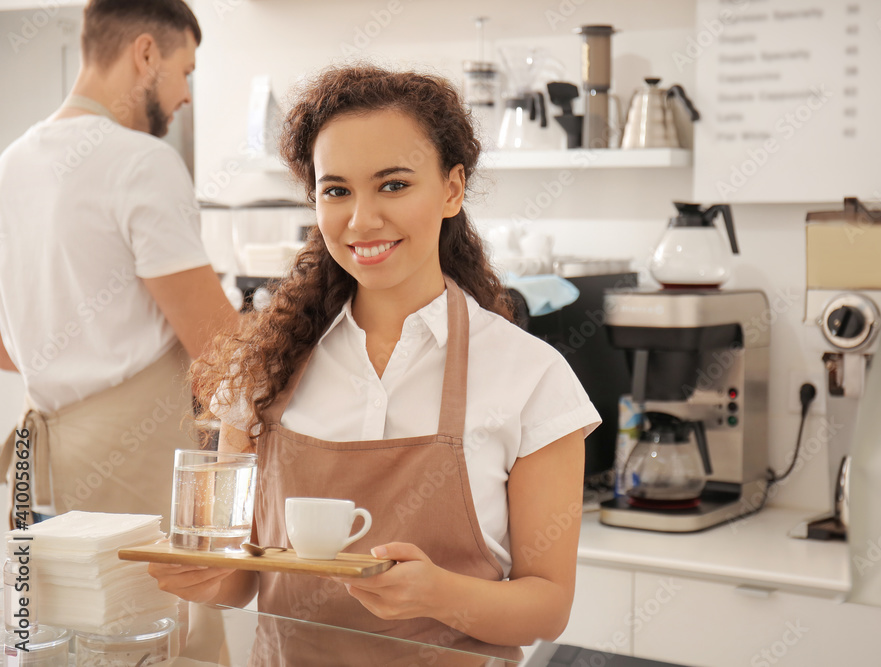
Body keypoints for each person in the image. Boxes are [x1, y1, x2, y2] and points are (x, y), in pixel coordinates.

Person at [150, 65, 601, 665]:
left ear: (452, 189)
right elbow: (239, 579)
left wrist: (440, 594)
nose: (361, 220)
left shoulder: (532, 377)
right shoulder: (266, 370)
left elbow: (547, 605)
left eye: (392, 185)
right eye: (336, 190)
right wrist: (195, 577)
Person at [0, 0, 237, 524]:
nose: (186, 96)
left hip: (39, 470)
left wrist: (72, 356)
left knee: (41, 606)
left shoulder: (10, 164)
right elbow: (219, 351)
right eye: (184, 73)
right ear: (146, 55)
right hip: (132, 468)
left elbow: (8, 347)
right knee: (153, 606)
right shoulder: (142, 162)